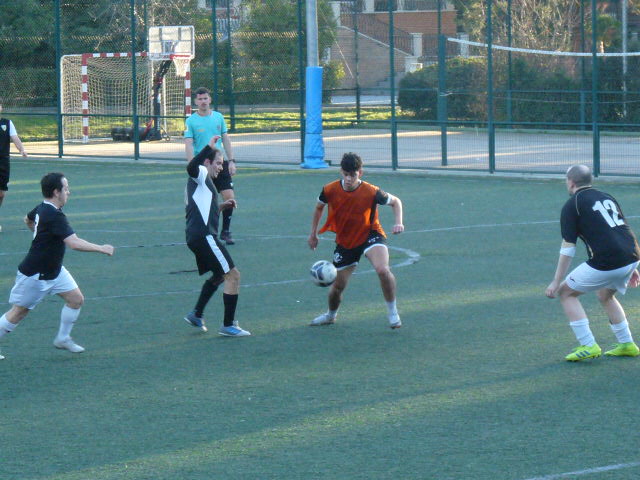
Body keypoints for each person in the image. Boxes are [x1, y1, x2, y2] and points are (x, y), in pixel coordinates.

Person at [0, 172, 114, 360]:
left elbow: (27, 219)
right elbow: (74, 243)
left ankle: (63, 338)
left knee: (76, 299)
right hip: (35, 274)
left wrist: (40, 236)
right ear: (56, 192)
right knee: (18, 312)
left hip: (55, 270)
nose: (69, 192)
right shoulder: (53, 215)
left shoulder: (42, 207)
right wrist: (102, 248)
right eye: (66, 188)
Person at [546, 164, 640, 362]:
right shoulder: (606, 196)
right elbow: (621, 229)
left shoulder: (572, 205)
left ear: (571, 182)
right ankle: (627, 344)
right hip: (632, 255)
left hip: (609, 260)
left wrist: (556, 281)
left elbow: (568, 247)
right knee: (605, 295)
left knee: (566, 293)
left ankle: (588, 345)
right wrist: (630, 265)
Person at [308, 152, 404, 329]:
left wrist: (399, 222)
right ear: (341, 171)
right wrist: (313, 234)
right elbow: (319, 207)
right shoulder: (329, 189)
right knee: (337, 287)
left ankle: (393, 313)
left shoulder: (372, 191)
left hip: (370, 234)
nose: (348, 179)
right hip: (346, 241)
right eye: (345, 174)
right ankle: (330, 316)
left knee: (383, 270)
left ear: (360, 173)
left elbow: (396, 202)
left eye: (352, 175)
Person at [183, 135, 250, 337]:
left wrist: (221, 206)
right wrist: (208, 146)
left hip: (197, 236)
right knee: (233, 275)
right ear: (207, 162)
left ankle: (196, 314)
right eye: (218, 163)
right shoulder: (201, 173)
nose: (221, 168)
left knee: (220, 275)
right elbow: (190, 167)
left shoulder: (204, 183)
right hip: (204, 236)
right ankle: (228, 325)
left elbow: (200, 209)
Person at [184, 87, 237, 245]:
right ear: (195, 101)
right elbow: (188, 143)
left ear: (210, 99)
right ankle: (206, 231)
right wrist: (192, 164)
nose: (203, 102)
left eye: (205, 98)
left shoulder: (218, 117)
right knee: (205, 200)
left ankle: (225, 231)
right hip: (203, 165)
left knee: (229, 196)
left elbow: (225, 139)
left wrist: (231, 160)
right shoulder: (191, 121)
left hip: (219, 162)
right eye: (200, 99)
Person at [0, 102, 28, 233]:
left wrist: (22, 149)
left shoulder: (7, 123)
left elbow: (15, 138)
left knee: (1, 193)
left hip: (3, 162)